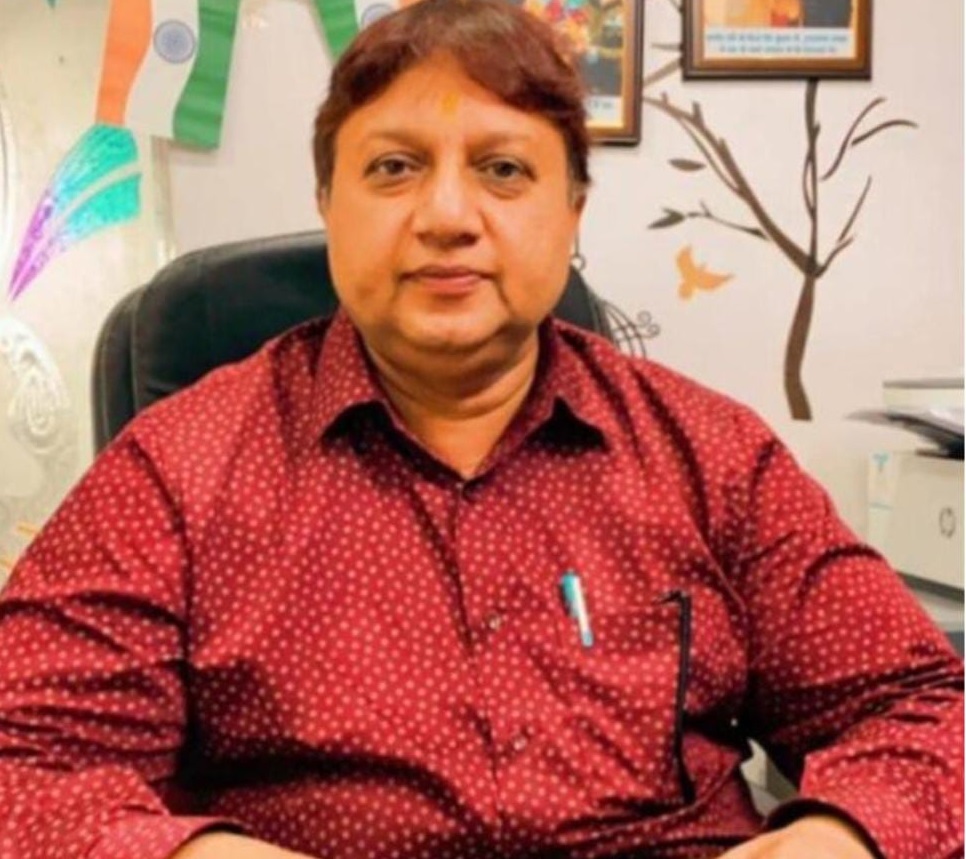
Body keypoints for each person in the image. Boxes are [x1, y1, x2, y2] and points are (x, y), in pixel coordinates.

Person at [0, 1, 961, 858]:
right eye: (394, 168)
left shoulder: (708, 453)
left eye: (503, 169)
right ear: (328, 204)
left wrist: (833, 839)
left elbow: (919, 710)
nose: (447, 215)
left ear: (572, 212)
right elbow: (26, 759)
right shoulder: (177, 468)